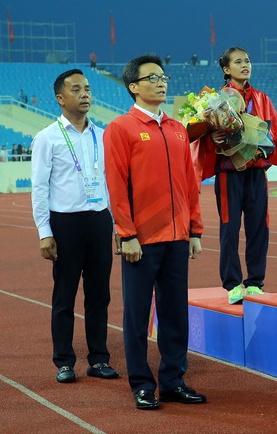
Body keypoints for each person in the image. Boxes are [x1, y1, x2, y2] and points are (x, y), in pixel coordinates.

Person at [104, 54, 206, 410]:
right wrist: (127, 233)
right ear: (133, 86)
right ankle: (142, 384)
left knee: (175, 312)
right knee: (136, 316)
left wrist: (195, 228)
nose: (162, 83)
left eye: (163, 77)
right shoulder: (121, 128)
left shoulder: (178, 128)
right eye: (152, 78)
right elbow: (116, 186)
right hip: (141, 241)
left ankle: (174, 380)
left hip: (177, 238)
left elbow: (190, 184)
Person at [30, 68, 118, 384]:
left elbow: (109, 183)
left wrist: (117, 225)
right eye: (76, 89)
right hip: (65, 223)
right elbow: (39, 187)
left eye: (88, 88)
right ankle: (65, 362)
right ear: (60, 98)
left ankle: (98, 359)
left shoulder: (102, 135)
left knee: (99, 295)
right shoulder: (47, 137)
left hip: (98, 221)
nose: (85, 94)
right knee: (64, 295)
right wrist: (45, 232)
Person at [192, 47, 277, 304]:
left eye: (247, 60)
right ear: (226, 69)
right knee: (230, 228)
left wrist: (263, 154)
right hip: (229, 174)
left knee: (259, 227)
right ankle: (233, 283)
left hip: (256, 172)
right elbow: (202, 139)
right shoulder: (213, 101)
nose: (245, 65)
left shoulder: (261, 98)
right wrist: (213, 139)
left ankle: (256, 282)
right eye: (238, 62)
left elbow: (276, 133)